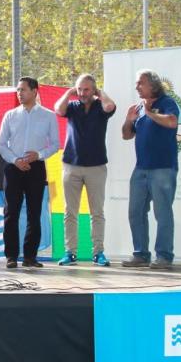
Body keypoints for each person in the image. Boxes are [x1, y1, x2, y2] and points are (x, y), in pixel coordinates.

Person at [54, 73, 116, 267]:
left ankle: (98, 253)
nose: (82, 93)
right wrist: (69, 93)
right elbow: (58, 110)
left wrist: (100, 93)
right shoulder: (72, 107)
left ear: (94, 90)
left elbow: (110, 106)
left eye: (86, 89)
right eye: (79, 89)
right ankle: (69, 252)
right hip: (71, 165)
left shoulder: (100, 107)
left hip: (96, 167)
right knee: (69, 212)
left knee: (96, 212)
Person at [0, 77, 59, 269]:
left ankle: (30, 256)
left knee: (35, 213)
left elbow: (55, 144)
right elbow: (1, 144)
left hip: (36, 168)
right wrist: (16, 160)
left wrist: (38, 155)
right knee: (11, 213)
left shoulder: (48, 116)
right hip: (14, 168)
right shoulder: (10, 115)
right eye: (18, 90)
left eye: (23, 90)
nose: (19, 93)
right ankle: (11, 256)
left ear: (34, 91)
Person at [121, 69, 180, 270]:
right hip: (141, 169)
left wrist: (149, 113)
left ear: (153, 85)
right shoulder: (138, 107)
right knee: (135, 212)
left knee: (162, 213)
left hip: (163, 167)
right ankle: (141, 254)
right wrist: (129, 119)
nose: (137, 87)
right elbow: (127, 135)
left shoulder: (166, 102)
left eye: (140, 83)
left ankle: (164, 257)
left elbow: (172, 122)